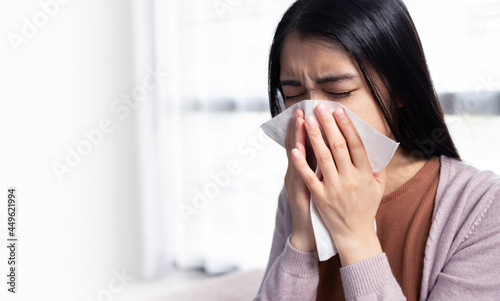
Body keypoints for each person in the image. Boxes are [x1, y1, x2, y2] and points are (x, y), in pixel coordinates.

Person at [254, 0, 500, 300]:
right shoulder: (301, 191)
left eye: (339, 92)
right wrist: (302, 240)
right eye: (294, 94)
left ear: (400, 89)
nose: (315, 115)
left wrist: (355, 238)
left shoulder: (482, 208)